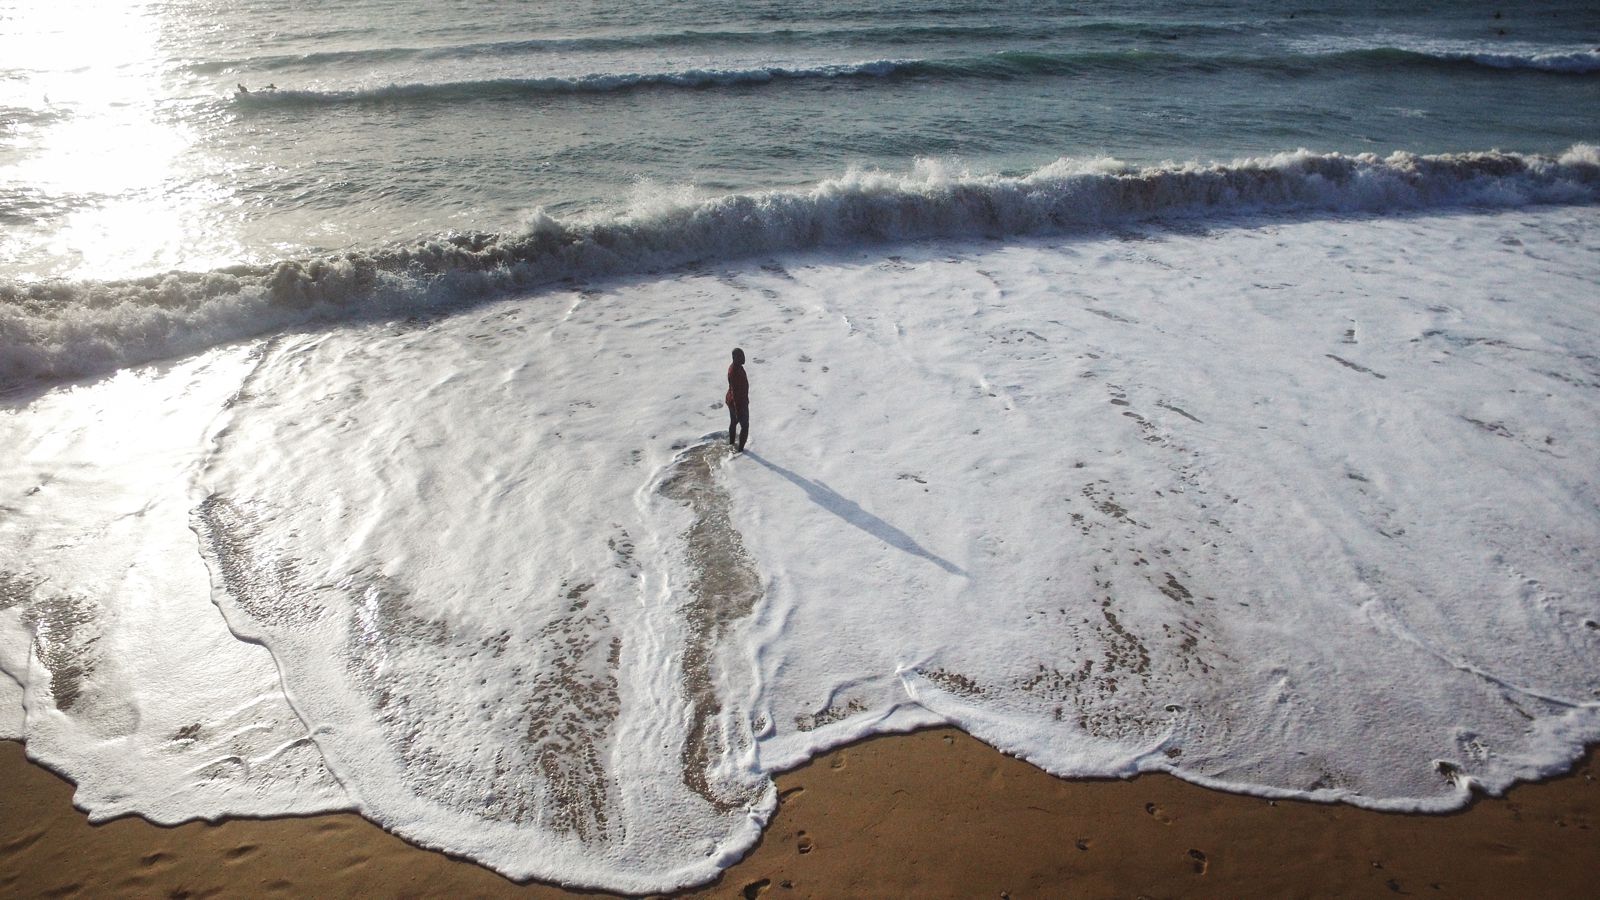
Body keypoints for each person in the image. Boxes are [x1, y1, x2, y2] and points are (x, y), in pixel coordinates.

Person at [726, 347, 749, 452]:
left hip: (732, 401)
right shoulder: (734, 372)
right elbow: (735, 393)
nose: (744, 358)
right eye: (741, 356)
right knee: (745, 425)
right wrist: (738, 410)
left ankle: (731, 443)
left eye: (743, 355)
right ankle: (740, 450)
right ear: (734, 358)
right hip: (738, 403)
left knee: (734, 422)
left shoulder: (736, 367)